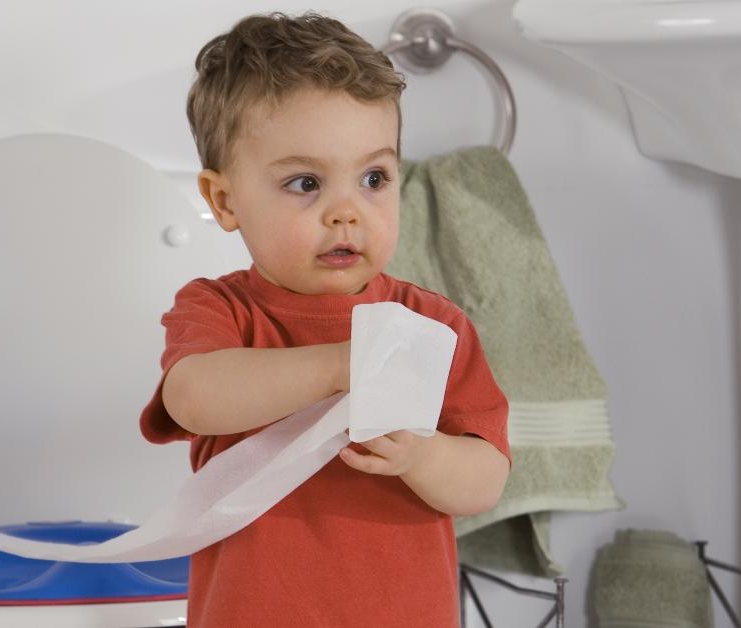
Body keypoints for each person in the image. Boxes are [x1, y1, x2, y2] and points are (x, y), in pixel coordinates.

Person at [140, 11, 510, 627]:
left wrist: (421, 458)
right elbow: (193, 399)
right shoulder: (220, 311)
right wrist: (342, 365)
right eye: (306, 182)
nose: (346, 211)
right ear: (225, 200)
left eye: (374, 178)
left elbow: (485, 480)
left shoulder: (431, 324)